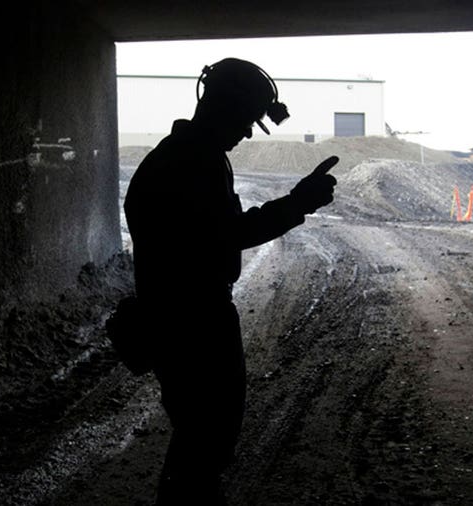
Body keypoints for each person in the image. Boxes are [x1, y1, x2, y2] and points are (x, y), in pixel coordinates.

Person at [123, 57, 338, 505]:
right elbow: (229, 234)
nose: (246, 132)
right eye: (245, 120)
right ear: (222, 107)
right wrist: (299, 202)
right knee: (205, 440)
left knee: (199, 439)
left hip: (180, 318)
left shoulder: (182, 157)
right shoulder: (192, 163)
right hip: (194, 322)